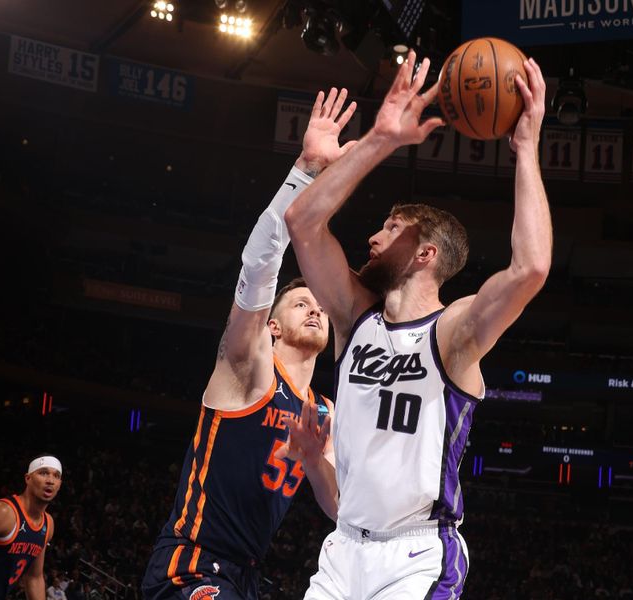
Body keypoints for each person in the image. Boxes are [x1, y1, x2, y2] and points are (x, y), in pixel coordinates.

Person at [284, 50, 551, 598]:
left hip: (417, 555)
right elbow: (302, 221)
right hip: (342, 551)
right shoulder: (355, 318)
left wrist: (525, 149)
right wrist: (382, 138)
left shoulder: (452, 334)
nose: (373, 238)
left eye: (391, 227)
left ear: (425, 253)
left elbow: (531, 268)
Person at [142, 87, 358, 600]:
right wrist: (305, 170)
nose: (315, 308)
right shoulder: (250, 365)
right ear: (273, 327)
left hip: (246, 576)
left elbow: (337, 507)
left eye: (320, 305)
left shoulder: (325, 412)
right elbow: (258, 266)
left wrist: (314, 459)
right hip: (193, 564)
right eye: (300, 303)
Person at [0, 455, 62, 600]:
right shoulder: (3, 512)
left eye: (56, 476)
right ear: (28, 478)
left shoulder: (48, 524)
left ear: (60, 484)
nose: (50, 481)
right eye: (43, 473)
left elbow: (34, 577)